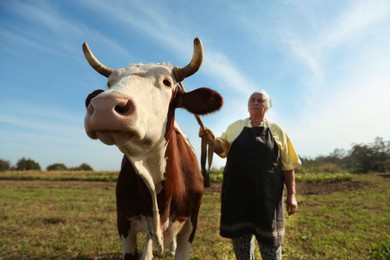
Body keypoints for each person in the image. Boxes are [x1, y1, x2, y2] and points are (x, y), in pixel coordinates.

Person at [199, 90, 301, 260]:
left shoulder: (277, 130)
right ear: (247, 106)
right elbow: (221, 147)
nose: (255, 103)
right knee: (242, 252)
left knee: (271, 251)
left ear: (267, 106)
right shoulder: (236, 127)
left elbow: (288, 166)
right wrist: (210, 140)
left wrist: (292, 196)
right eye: (252, 100)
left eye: (260, 100)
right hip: (238, 199)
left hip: (267, 200)